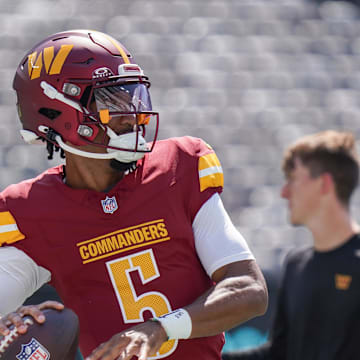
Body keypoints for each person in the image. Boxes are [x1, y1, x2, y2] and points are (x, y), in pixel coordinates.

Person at [0, 30, 268, 360]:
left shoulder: (178, 167)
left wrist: (163, 327)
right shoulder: (32, 211)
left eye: (133, 95)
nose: (133, 112)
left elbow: (249, 289)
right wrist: (8, 325)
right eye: (112, 99)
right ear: (58, 111)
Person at [222, 130, 360, 360]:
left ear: (324, 184)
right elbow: (279, 353)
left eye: (293, 179)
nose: (284, 192)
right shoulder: (296, 265)